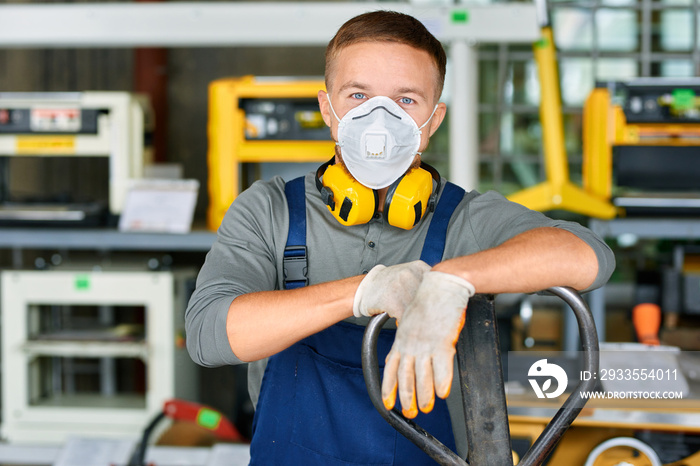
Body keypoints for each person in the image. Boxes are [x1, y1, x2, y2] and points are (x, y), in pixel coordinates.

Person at [186, 10, 615, 465]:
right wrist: (365, 291)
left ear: (433, 120)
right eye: (358, 95)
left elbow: (590, 257)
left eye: (406, 100)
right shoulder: (270, 210)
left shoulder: (464, 220)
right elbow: (208, 335)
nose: (379, 118)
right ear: (326, 108)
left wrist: (451, 281)